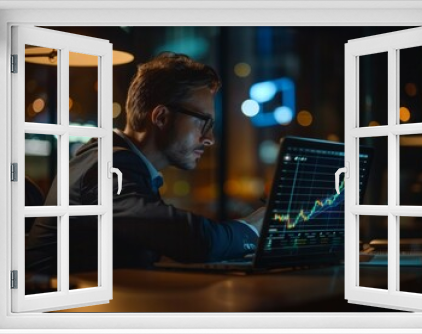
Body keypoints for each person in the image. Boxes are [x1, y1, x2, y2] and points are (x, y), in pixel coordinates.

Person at [26, 52, 265, 275]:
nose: (210, 138)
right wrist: (251, 228)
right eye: (203, 122)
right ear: (161, 116)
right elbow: (187, 238)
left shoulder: (119, 162)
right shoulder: (107, 166)